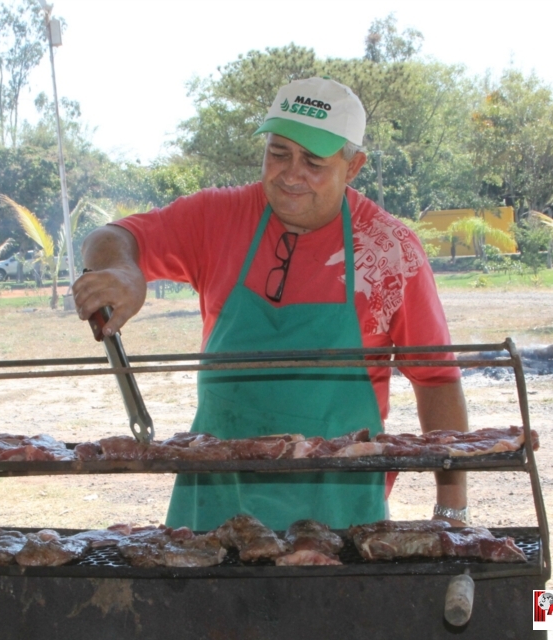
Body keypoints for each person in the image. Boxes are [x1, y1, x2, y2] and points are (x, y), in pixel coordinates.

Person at [73, 77, 468, 531]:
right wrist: (122, 271)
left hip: (339, 511)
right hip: (215, 499)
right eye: (278, 152)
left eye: (313, 161)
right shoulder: (217, 218)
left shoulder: (390, 252)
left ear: (353, 166)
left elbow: (436, 381)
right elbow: (112, 236)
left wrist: (451, 508)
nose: (290, 174)